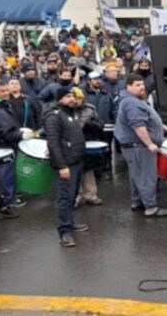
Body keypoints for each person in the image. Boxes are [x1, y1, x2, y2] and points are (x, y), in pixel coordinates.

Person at [113, 74, 167, 217]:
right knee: (146, 176)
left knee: (136, 175)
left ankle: (137, 201)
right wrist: (150, 143)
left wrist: (158, 124)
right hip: (139, 146)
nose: (142, 87)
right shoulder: (132, 103)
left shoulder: (132, 100)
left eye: (142, 84)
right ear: (128, 87)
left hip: (134, 146)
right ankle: (151, 207)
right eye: (137, 85)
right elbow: (138, 127)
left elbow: (143, 120)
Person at [44, 87, 90, 247]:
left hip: (77, 161)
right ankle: (64, 231)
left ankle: (70, 222)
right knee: (64, 198)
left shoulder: (70, 113)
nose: (72, 99)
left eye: (73, 96)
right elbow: (53, 143)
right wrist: (62, 166)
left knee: (72, 196)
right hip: (66, 164)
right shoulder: (53, 116)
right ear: (60, 98)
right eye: (68, 96)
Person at [0, 81, 29, 208]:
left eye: (7, 90)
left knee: (8, 174)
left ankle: (10, 196)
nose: (6, 93)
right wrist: (22, 135)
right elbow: (6, 133)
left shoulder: (2, 106)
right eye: (2, 91)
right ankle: (9, 199)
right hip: (2, 148)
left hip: (5, 146)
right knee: (5, 176)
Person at [72, 88, 105, 207]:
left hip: (88, 142)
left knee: (88, 170)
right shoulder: (64, 111)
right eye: (74, 98)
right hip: (72, 145)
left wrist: (87, 124)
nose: (76, 101)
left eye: (79, 98)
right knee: (74, 172)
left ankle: (91, 195)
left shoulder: (90, 109)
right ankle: (77, 196)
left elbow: (100, 125)